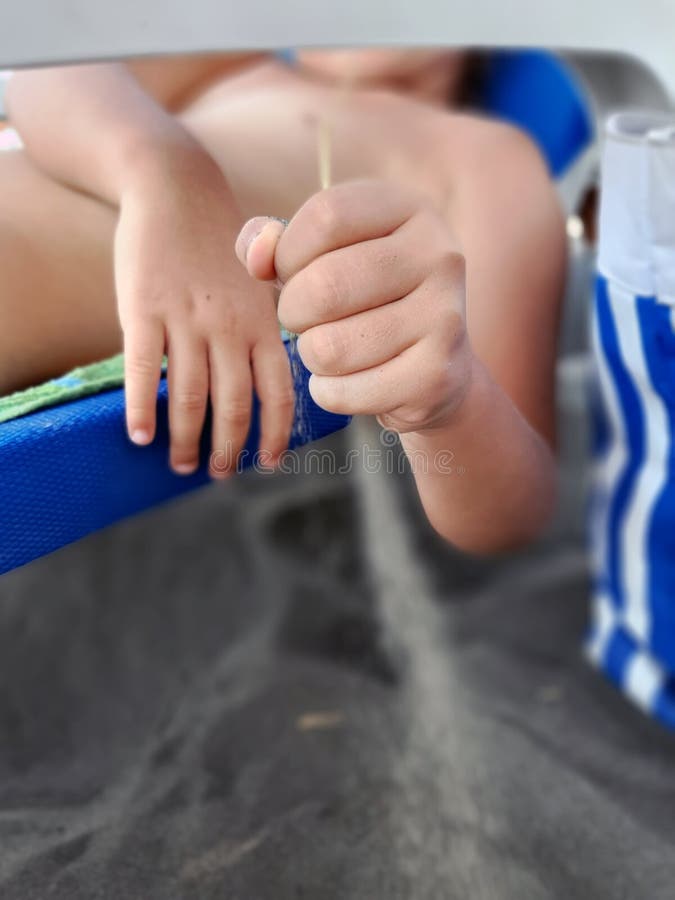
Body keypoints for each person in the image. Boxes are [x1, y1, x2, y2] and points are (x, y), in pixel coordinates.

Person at [2, 47, 566, 553]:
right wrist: (167, 175)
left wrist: (451, 403)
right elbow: (46, 57)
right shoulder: (228, 60)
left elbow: (516, 517)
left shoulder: (484, 158)